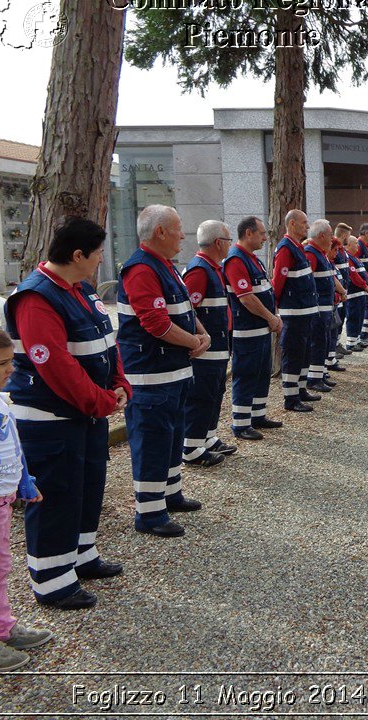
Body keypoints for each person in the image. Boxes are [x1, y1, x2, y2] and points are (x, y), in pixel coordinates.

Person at [5, 218, 129, 608]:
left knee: (86, 487)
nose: (100, 261)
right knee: (56, 495)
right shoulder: (37, 298)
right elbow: (55, 366)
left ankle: (81, 555)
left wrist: (120, 382)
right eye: (96, 254)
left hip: (85, 414)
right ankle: (52, 580)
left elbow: (108, 342)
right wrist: (103, 401)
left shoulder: (79, 290)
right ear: (77, 255)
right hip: (51, 417)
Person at [118, 205, 206, 538]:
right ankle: (150, 512)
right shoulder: (141, 269)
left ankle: (170, 492)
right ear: (160, 232)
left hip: (173, 371)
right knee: (153, 441)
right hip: (151, 375)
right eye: (179, 229)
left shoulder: (165, 266)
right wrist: (193, 341)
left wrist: (201, 334)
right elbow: (155, 323)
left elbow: (183, 307)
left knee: (171, 436)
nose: (183, 235)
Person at [0, 327, 50, 671]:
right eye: (1, 363)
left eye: (11, 361)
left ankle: (1, 626)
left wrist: (25, 482)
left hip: (3, 501)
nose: (11, 369)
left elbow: (12, 450)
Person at [182, 220, 236, 468]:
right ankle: (191, 447)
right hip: (205, 351)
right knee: (202, 396)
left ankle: (207, 436)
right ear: (218, 243)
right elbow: (187, 311)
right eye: (228, 240)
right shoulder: (199, 271)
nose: (230, 245)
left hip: (217, 347)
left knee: (215, 394)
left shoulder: (212, 268)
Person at [224, 217, 283, 441]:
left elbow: (265, 290)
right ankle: (240, 423)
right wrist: (271, 317)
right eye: (261, 234)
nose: (265, 238)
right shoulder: (236, 260)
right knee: (246, 374)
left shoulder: (252, 259)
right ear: (248, 233)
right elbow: (246, 298)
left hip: (260, 329)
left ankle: (257, 415)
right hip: (246, 331)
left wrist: (273, 317)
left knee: (261, 374)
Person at [273, 210, 321, 413]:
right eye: (304, 223)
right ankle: (290, 397)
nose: (307, 227)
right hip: (293, 313)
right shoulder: (285, 249)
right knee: (293, 354)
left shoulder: (297, 247)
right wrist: (274, 309)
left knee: (303, 352)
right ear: (292, 224)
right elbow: (278, 282)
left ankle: (300, 389)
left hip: (304, 311)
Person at [304, 220, 345, 392]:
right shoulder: (311, 254)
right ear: (321, 235)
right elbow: (308, 282)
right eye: (329, 235)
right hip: (319, 308)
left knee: (325, 340)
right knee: (318, 341)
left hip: (326, 306)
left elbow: (331, 276)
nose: (331, 239)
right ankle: (313, 378)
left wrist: (342, 291)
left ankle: (320, 374)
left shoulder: (320, 254)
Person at [344, 236, 368, 350]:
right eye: (356, 243)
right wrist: (364, 285)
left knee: (360, 316)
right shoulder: (349, 258)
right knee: (354, 317)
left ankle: (356, 340)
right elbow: (354, 276)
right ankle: (351, 342)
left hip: (361, 293)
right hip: (354, 293)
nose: (358, 246)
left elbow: (363, 272)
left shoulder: (355, 258)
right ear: (349, 245)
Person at [331, 224, 353, 356]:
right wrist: (340, 291)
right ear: (344, 235)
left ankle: (337, 343)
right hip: (338, 291)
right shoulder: (335, 248)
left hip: (344, 289)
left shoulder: (342, 250)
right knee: (336, 320)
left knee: (342, 318)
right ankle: (333, 347)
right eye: (348, 236)